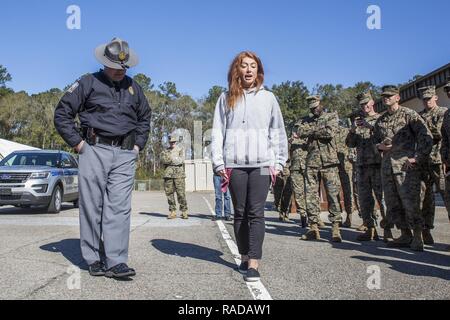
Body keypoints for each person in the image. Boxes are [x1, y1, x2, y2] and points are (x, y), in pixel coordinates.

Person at [54, 38, 151, 278]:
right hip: (94, 149)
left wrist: (138, 146)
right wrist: (78, 144)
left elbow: (145, 118)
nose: (120, 71)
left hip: (125, 153)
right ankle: (93, 257)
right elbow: (62, 113)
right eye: (115, 67)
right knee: (92, 205)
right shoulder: (88, 82)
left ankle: (116, 260)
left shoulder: (134, 88)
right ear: (104, 62)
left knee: (119, 208)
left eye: (124, 67)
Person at [211, 51, 288, 282]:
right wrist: (218, 162)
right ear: (237, 70)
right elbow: (217, 132)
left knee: (256, 212)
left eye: (253, 66)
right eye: (244, 66)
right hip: (234, 164)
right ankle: (244, 256)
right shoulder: (225, 98)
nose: (248, 70)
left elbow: (278, 131)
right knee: (240, 213)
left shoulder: (269, 98)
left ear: (258, 71)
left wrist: (278, 162)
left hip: (263, 164)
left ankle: (254, 262)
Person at [373, 85, 432, 251]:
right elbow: (374, 142)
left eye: (390, 96)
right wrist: (379, 147)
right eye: (384, 96)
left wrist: (418, 158)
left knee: (411, 201)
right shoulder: (381, 120)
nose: (386, 98)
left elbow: (425, 137)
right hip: (387, 168)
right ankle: (405, 234)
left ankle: (418, 236)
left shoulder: (409, 115)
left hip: (405, 167)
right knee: (393, 203)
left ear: (398, 97)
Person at [298, 96, 343, 242]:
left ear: (321, 104)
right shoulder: (305, 120)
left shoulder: (331, 116)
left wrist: (311, 131)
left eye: (316, 107)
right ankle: (313, 228)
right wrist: (316, 130)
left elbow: (329, 133)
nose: (314, 110)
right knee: (310, 196)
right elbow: (300, 131)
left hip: (329, 162)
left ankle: (335, 228)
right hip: (311, 162)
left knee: (333, 196)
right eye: (311, 108)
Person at [346, 91, 387, 241]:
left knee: (382, 198)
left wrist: (371, 126)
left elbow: (386, 137)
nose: (364, 107)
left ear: (372, 103)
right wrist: (352, 130)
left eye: (366, 103)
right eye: (362, 104)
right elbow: (350, 144)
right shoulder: (358, 122)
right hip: (362, 166)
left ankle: (387, 230)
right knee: (364, 200)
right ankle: (370, 229)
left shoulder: (381, 119)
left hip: (378, 164)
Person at [418, 85, 450, 245]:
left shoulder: (443, 112)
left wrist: (422, 128)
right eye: (424, 99)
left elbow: (438, 134)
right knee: (425, 198)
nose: (426, 102)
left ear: (435, 98)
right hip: (423, 162)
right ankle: (426, 230)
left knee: (446, 196)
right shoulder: (419, 115)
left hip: (439, 161)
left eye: (429, 98)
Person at [161, 136, 189, 219]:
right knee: (169, 193)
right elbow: (163, 160)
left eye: (173, 142)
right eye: (171, 142)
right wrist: (174, 159)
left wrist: (171, 159)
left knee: (181, 193)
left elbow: (181, 160)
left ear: (175, 142)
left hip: (179, 175)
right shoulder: (165, 150)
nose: (172, 143)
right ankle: (172, 211)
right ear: (169, 142)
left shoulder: (180, 149)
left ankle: (184, 211)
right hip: (168, 175)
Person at [440, 77, 450, 251]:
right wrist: (445, 159)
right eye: (447, 91)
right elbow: (446, 140)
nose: (449, 93)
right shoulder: (448, 114)